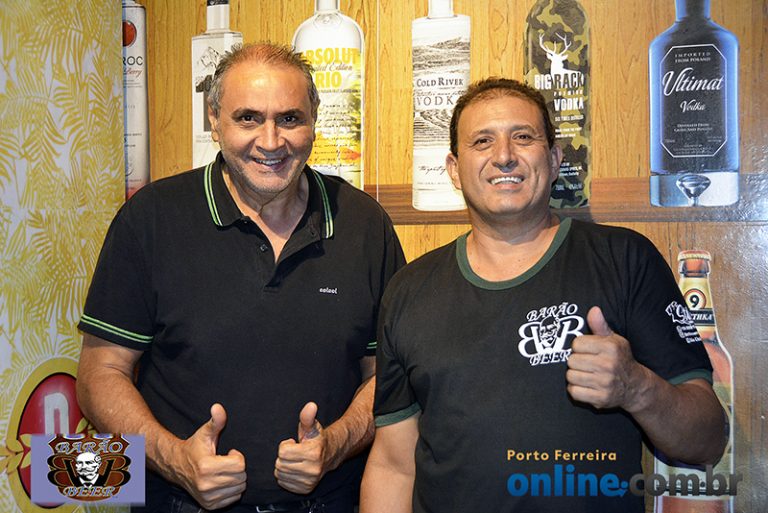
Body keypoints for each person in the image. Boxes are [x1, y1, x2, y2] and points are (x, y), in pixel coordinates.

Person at [360, 78, 726, 513]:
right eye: (482, 141)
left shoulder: (626, 260)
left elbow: (708, 440)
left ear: (553, 160)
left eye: (523, 137)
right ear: (454, 169)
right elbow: (394, 466)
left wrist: (636, 388)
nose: (504, 155)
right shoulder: (408, 290)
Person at [76, 42, 405, 512]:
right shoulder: (151, 219)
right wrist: (176, 461)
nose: (270, 141)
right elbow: (100, 374)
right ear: (214, 121)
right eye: (248, 118)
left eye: (289, 118)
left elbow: (387, 376)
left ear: (314, 120)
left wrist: (334, 445)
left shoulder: (364, 224)